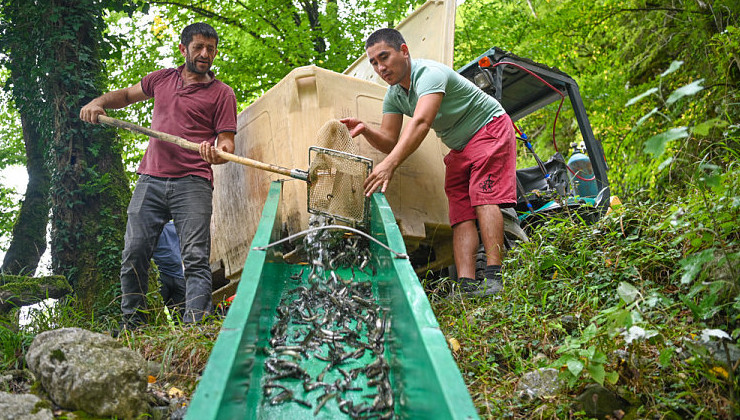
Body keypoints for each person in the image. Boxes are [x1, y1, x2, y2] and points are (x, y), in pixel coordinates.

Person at [80, 22, 237, 326]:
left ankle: (195, 326)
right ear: (183, 49)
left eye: (211, 49)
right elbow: (126, 95)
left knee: (194, 258)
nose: (205, 54)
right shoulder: (162, 79)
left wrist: (217, 152)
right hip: (150, 179)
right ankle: (134, 326)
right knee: (134, 253)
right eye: (198, 47)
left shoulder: (222, 94)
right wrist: (97, 103)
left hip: (193, 182)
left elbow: (227, 141)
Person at [340, 28, 516, 296]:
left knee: (483, 197)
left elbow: (421, 122)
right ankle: (467, 286)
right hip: (459, 145)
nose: (380, 67)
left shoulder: (430, 74)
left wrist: (390, 165)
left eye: (384, 57)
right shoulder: (395, 96)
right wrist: (365, 129)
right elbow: (388, 140)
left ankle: (494, 278)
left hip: (489, 128)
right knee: (459, 213)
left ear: (404, 51)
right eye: (374, 62)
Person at [153, 221, 186, 320]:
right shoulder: (150, 226)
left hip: (179, 275)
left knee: (182, 315)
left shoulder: (176, 226)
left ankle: (182, 334)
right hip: (161, 275)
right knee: (156, 312)